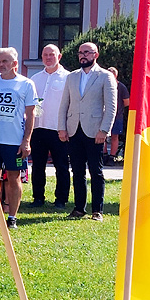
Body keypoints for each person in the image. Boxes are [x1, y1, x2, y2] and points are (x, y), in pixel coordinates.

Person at [58, 42, 117, 221]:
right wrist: (62, 127)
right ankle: (79, 208)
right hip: (74, 129)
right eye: (80, 53)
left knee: (96, 171)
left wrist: (104, 130)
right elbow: (64, 105)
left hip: (95, 131)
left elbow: (111, 107)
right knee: (77, 171)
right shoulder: (72, 77)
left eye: (87, 53)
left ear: (95, 55)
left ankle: (97, 210)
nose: (82, 56)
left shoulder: (105, 76)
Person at [0, 47, 36, 229]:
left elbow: (31, 115)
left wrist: (26, 141)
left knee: (14, 178)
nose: (0, 65)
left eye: (5, 61)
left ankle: (12, 217)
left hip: (14, 140)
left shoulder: (26, 84)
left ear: (15, 63)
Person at [29, 44, 70, 208]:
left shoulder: (68, 77)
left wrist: (65, 127)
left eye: (51, 55)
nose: (48, 58)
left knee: (61, 165)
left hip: (58, 128)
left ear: (59, 57)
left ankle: (61, 199)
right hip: (38, 127)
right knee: (37, 165)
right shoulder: (35, 78)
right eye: (45, 55)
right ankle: (38, 197)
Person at [107, 66, 130, 165]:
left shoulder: (121, 87)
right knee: (101, 136)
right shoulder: (104, 84)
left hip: (117, 116)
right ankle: (103, 155)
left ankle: (112, 157)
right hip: (104, 115)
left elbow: (127, 102)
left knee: (114, 136)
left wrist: (118, 108)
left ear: (116, 75)